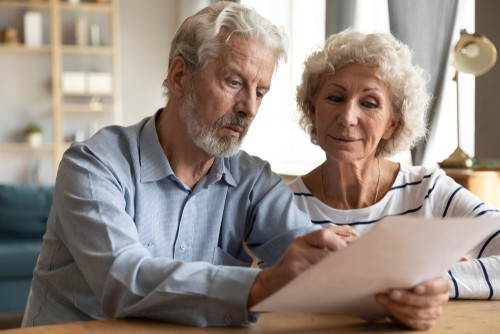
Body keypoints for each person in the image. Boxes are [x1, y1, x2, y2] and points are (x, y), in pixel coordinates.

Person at [23, 3, 448, 330]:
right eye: (233, 83)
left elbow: (317, 261)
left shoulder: (252, 180)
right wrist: (261, 285)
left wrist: (397, 291)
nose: (248, 108)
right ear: (179, 76)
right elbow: (122, 279)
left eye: (260, 92)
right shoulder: (94, 165)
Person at [289, 28, 500, 327]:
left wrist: (430, 283)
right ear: (312, 111)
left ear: (392, 124)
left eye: (370, 103)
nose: (348, 117)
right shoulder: (282, 204)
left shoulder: (429, 190)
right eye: (335, 97)